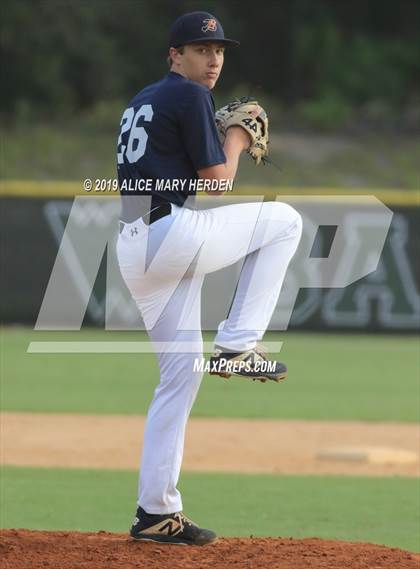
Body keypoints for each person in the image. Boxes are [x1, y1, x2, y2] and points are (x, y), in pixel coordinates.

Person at [116, 11, 302, 546]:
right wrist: (239, 137)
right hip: (170, 234)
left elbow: (172, 175)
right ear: (175, 56)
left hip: (137, 244)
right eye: (200, 49)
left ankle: (155, 512)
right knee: (285, 221)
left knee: (180, 377)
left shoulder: (143, 101)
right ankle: (239, 344)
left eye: (218, 49)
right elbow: (218, 183)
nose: (213, 58)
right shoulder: (189, 95)